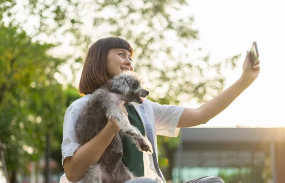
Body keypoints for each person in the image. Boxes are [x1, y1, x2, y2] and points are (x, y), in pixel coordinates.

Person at [60, 37, 260, 183]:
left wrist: (245, 81)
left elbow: (201, 115)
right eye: (121, 54)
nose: (129, 62)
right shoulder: (79, 107)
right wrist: (113, 126)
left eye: (130, 57)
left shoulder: (143, 108)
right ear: (99, 60)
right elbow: (73, 172)